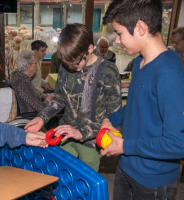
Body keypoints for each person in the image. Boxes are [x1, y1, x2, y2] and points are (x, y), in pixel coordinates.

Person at [100, 0, 184, 199]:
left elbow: (178, 143)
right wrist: (112, 119)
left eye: (119, 33)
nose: (117, 41)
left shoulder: (169, 74)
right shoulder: (139, 62)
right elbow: (136, 107)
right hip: (128, 165)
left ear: (140, 27)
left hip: (153, 179)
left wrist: (125, 146)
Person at [25, 23, 121, 172]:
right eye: (66, 63)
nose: (70, 67)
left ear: (89, 49)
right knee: (62, 179)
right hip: (65, 135)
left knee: (85, 185)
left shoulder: (108, 70)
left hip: (91, 141)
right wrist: (42, 117)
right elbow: (60, 99)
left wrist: (81, 132)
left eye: (74, 63)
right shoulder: (67, 64)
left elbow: (114, 115)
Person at [11, 50, 53, 114]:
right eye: (35, 63)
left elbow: (29, 96)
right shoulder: (23, 83)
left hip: (34, 109)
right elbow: (42, 108)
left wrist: (42, 95)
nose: (36, 66)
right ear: (28, 66)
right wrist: (48, 100)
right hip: (32, 114)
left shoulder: (22, 77)